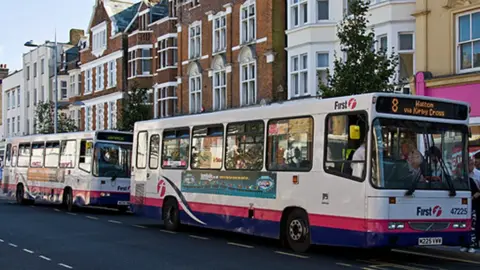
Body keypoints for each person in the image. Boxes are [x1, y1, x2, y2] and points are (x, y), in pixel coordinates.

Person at [461, 158, 480, 253]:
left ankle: (473, 243)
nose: (470, 166)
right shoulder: (464, 175)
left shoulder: (478, 175)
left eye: (472, 164)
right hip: (465, 203)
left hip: (475, 202)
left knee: (474, 223)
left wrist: (473, 197)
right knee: (465, 223)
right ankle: (465, 244)